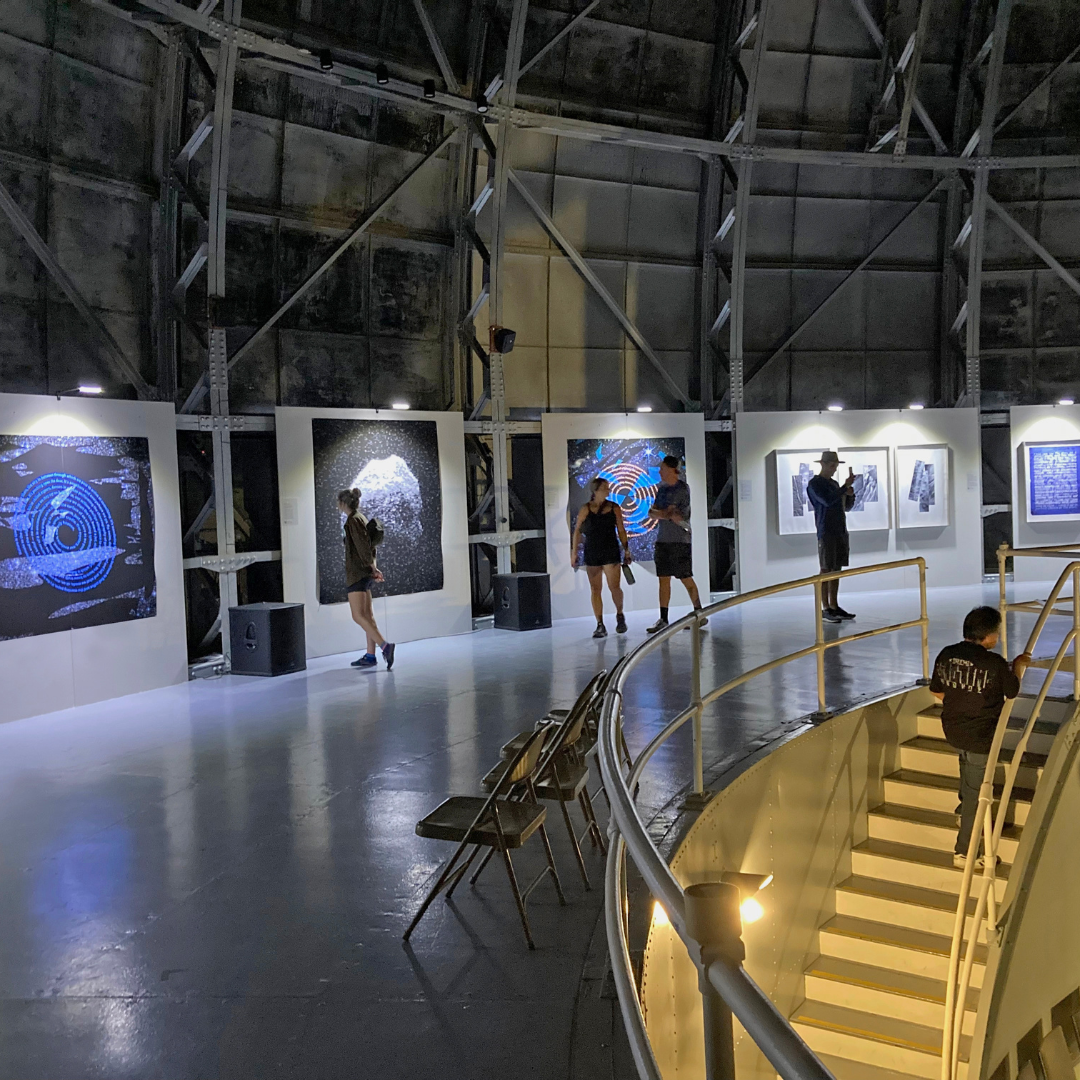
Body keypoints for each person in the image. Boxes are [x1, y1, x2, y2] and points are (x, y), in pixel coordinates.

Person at [929, 606, 1030, 870]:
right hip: (981, 735)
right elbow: (1012, 691)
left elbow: (938, 693)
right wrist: (1017, 666)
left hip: (953, 730)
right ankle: (965, 852)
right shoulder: (994, 663)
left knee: (966, 771)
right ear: (988, 636)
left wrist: (961, 699)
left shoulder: (947, 654)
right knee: (977, 793)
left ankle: (963, 814)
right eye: (996, 632)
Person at [645, 455, 704, 634]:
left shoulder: (682, 489)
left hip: (680, 540)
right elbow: (653, 512)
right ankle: (663, 618)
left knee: (685, 577)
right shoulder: (661, 489)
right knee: (663, 579)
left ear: (672, 470)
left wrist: (664, 513)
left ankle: (700, 613)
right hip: (663, 539)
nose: (660, 472)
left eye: (662, 469)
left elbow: (677, 516)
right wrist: (666, 513)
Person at [338, 487, 395, 670]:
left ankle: (385, 646)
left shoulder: (352, 520)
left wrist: (372, 568)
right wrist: (372, 569)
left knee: (357, 615)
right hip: (365, 572)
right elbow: (369, 546)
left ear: (342, 503)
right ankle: (370, 656)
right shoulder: (360, 518)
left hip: (357, 572)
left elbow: (363, 548)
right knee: (367, 616)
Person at [571, 477, 631, 638]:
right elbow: (577, 531)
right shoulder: (586, 509)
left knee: (614, 587)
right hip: (592, 552)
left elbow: (621, 529)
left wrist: (626, 549)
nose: (608, 490)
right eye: (605, 488)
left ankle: (619, 614)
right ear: (596, 490)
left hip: (610, 551)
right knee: (595, 589)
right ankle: (599, 624)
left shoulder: (614, 508)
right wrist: (574, 553)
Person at [806, 450, 856, 623]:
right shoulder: (815, 484)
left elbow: (845, 507)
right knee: (826, 569)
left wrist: (849, 494)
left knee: (836, 569)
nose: (834, 469)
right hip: (826, 531)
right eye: (832, 465)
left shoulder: (834, 484)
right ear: (823, 465)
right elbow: (827, 501)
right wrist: (843, 488)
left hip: (840, 530)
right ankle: (825, 608)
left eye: (835, 465)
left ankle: (834, 606)